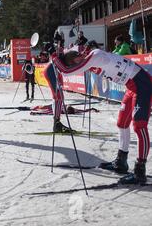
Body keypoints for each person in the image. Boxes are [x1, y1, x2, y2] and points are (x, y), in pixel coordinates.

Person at [53, 49, 152, 184]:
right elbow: (69, 67)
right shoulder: (88, 58)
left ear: (76, 58)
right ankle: (121, 162)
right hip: (131, 87)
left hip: (143, 85)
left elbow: (67, 72)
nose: (75, 66)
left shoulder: (95, 56)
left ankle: (140, 171)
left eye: (73, 63)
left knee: (139, 126)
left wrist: (54, 58)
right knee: (121, 123)